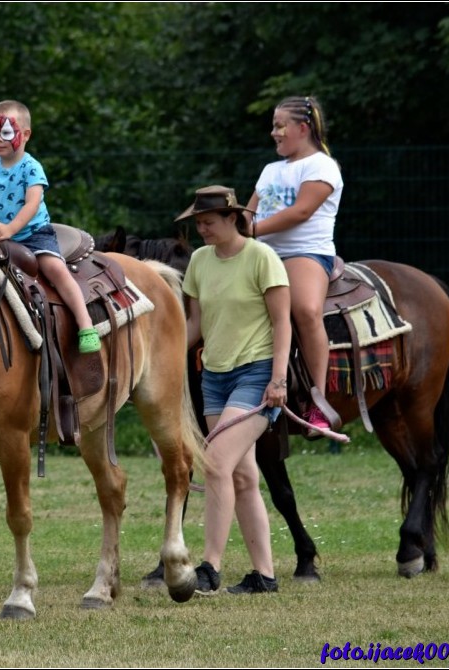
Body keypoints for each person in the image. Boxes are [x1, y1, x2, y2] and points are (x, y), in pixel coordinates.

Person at [175, 184, 291, 594]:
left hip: (256, 375)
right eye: (198, 223)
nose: (201, 229)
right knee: (242, 475)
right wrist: (162, 358)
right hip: (215, 376)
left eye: (207, 222)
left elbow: (282, 323)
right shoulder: (199, 262)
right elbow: (195, 325)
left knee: (216, 463)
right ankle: (265, 576)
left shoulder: (262, 258)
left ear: (231, 218)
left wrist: (278, 380)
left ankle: (209, 567)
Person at [244, 95, 343, 434]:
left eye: (279, 126)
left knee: (305, 309)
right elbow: (249, 211)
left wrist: (250, 231)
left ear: (303, 128)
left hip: (305, 252)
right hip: (262, 254)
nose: (274, 133)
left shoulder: (322, 166)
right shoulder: (271, 170)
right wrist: (234, 229)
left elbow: (301, 212)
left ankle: (319, 402)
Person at [0, 99, 101, 354]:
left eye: (6, 132)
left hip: (33, 234)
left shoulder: (31, 167)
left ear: (26, 134)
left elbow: (32, 204)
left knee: (55, 268)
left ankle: (85, 323)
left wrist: (10, 229)